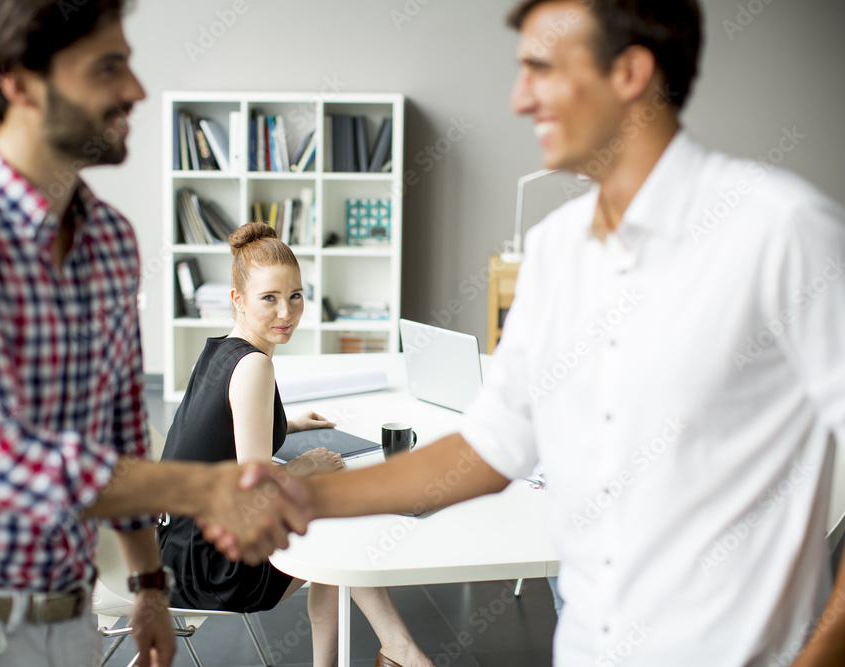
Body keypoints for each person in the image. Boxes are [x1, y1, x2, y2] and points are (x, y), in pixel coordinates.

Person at [208, 1, 845, 665]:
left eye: (542, 69)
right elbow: (489, 449)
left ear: (629, 72)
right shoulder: (554, 250)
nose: (519, 98)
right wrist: (307, 497)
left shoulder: (783, 233)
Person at [0, 2, 306, 666]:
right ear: (19, 83)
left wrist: (150, 584)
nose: (136, 89)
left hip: (69, 614)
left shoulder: (110, 241)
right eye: (108, 67)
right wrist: (199, 488)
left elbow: (120, 430)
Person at [159, 222, 432, 667]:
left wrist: (285, 425)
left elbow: (219, 426)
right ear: (238, 300)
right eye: (269, 298)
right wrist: (303, 465)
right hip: (210, 567)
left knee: (327, 520)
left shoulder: (221, 350)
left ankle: (390, 651)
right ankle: (401, 651)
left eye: (295, 296)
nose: (286, 312)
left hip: (175, 545)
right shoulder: (254, 366)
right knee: (332, 525)